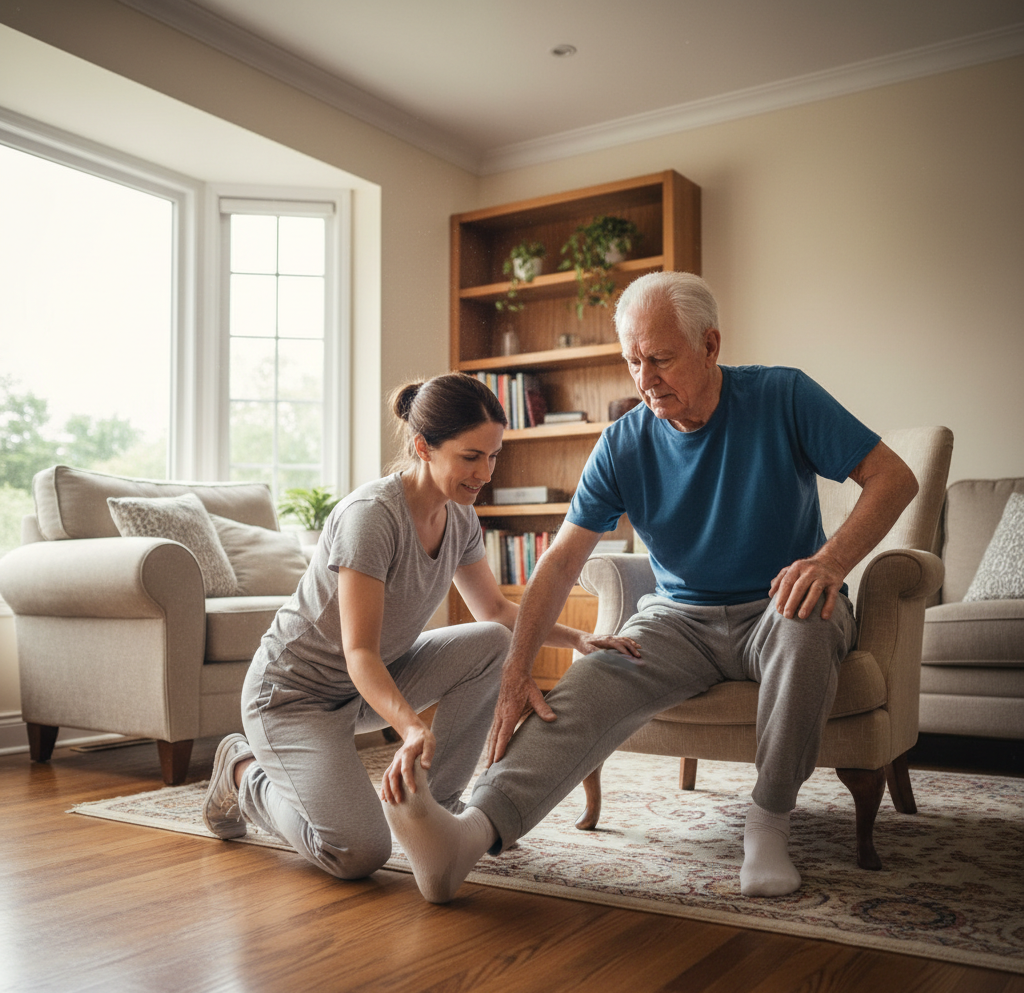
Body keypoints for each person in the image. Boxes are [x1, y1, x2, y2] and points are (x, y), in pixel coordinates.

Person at [382, 271, 919, 903]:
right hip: (677, 620)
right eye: (633, 360)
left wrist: (829, 564)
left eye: (660, 358)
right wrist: (517, 671)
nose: (645, 378)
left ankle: (768, 821)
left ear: (710, 345)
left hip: (780, 606)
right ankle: (467, 838)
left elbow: (893, 478)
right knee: (588, 682)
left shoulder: (783, 395)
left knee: (806, 621)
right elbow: (557, 563)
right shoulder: (622, 442)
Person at [201, 372, 637, 880]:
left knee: (493, 643)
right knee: (358, 853)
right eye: (470, 457)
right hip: (293, 697)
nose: (485, 473)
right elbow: (359, 651)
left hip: (365, 687)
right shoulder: (371, 517)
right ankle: (241, 770)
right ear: (423, 447)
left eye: (493, 456)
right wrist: (409, 727)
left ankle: (440, 809)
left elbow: (495, 612)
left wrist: (575, 638)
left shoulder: (460, 516)